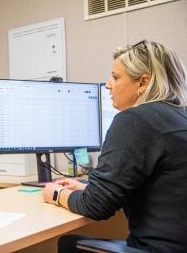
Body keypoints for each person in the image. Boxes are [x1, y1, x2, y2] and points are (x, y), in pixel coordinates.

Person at [43, 40, 187, 253]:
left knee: (68, 243)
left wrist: (56, 194)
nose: (108, 84)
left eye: (116, 77)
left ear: (143, 82)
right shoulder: (179, 116)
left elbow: (96, 207)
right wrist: (87, 188)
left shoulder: (135, 120)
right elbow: (161, 189)